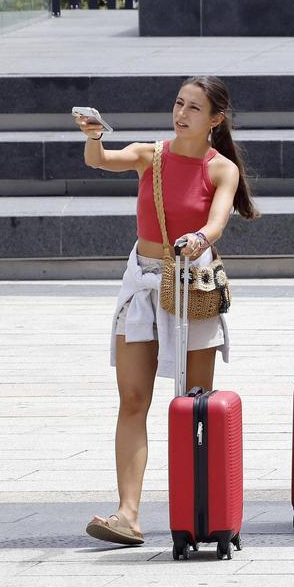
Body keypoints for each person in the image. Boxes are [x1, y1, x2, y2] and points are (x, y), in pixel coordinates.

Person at [81, 75, 258, 546]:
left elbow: (218, 220)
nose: (182, 114)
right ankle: (128, 514)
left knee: (194, 400)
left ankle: (200, 509)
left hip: (189, 284)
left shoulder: (221, 168)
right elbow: (101, 160)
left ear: (215, 119)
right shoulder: (150, 154)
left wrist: (201, 236)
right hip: (143, 280)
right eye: (179, 103)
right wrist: (95, 135)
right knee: (133, 399)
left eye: (194, 108)